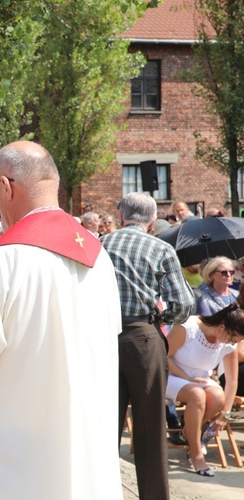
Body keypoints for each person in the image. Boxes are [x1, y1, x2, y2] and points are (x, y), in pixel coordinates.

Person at [0, 141, 123, 499]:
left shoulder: (2, 262)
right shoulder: (99, 258)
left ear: (5, 187)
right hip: (86, 442)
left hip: (18, 460)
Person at [102, 192, 195, 500]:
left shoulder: (100, 244)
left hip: (103, 337)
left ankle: (99, 491)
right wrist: (160, 314)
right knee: (150, 427)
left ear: (120, 216)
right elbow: (184, 304)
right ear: (153, 221)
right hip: (143, 336)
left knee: (103, 424)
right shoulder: (160, 247)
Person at [166, 304, 243, 476]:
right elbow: (163, 356)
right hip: (171, 374)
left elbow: (231, 380)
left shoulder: (229, 343)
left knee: (217, 396)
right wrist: (186, 378)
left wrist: (226, 414)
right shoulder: (188, 328)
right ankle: (196, 453)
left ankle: (191, 431)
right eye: (232, 340)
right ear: (222, 327)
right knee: (197, 395)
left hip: (200, 379)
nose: (232, 344)